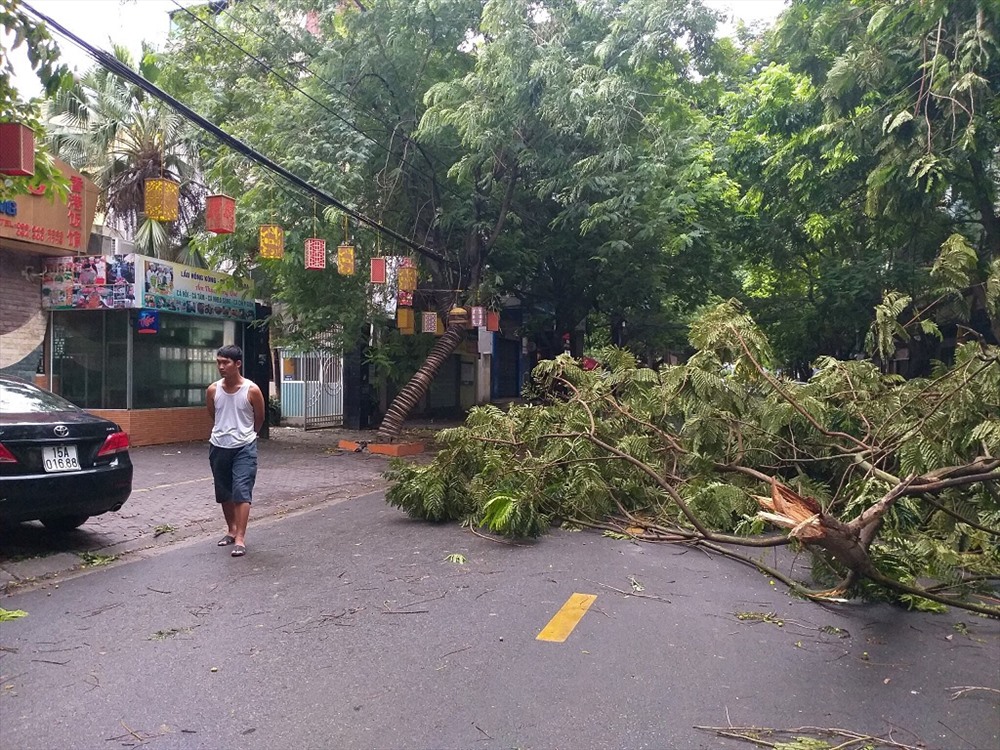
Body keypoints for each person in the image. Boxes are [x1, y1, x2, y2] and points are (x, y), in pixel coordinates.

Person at [206, 344, 265, 557]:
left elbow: (259, 418)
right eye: (219, 362)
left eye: (226, 362)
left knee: (242, 491)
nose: (221, 367)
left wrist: (250, 434)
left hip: (244, 446)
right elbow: (214, 415)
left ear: (237, 364)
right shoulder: (213, 390)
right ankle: (230, 529)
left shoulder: (252, 390)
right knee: (224, 491)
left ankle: (240, 537)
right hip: (219, 445)